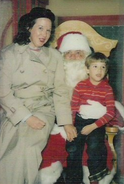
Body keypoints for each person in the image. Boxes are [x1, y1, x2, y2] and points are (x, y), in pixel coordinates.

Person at [0, 7, 77, 184]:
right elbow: (3, 92)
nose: (44, 34)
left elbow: (60, 91)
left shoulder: (55, 56)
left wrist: (66, 122)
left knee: (26, 148)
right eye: (40, 28)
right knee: (7, 152)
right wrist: (26, 117)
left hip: (42, 109)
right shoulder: (9, 54)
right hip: (15, 110)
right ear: (29, 28)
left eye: (48, 30)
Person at [66, 52, 115, 184]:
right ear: (87, 69)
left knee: (94, 144)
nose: (99, 70)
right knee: (73, 147)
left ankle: (96, 176)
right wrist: (70, 126)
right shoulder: (80, 86)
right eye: (95, 66)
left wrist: (93, 126)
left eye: (103, 67)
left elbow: (110, 113)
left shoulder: (107, 89)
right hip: (80, 121)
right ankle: (73, 180)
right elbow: (73, 108)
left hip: (96, 123)